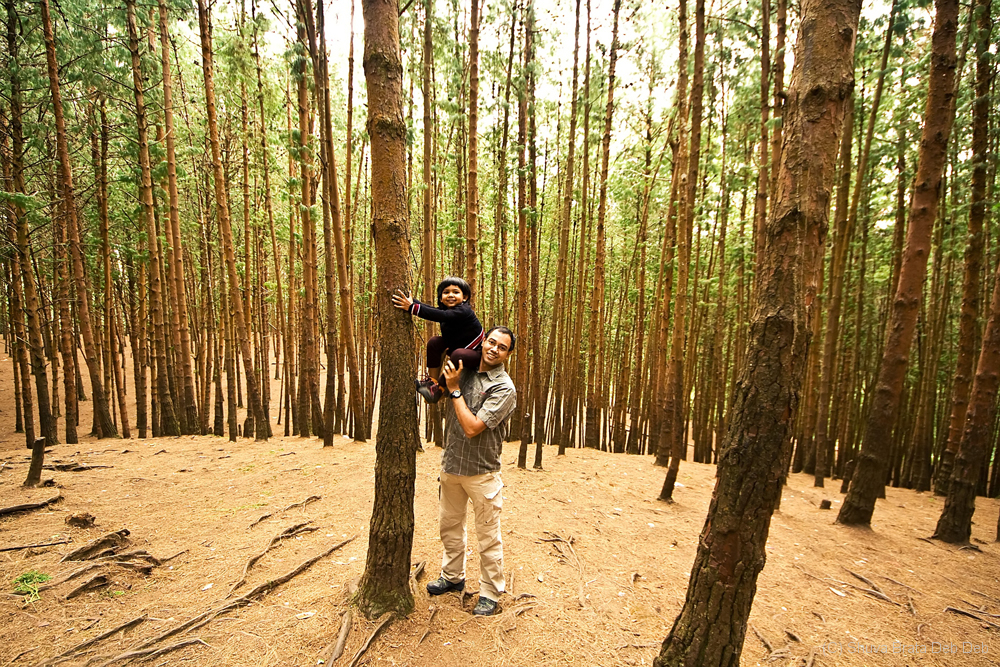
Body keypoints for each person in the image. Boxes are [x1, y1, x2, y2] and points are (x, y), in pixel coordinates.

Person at [425, 326, 517, 617]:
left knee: (488, 536)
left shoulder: (504, 388)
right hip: (452, 464)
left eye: (501, 347)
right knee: (449, 527)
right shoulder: (464, 369)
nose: (494, 349)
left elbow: (472, 428)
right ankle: (452, 577)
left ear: (507, 354)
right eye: (491, 342)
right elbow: (435, 395)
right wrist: (441, 379)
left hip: (482, 472)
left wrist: (454, 390)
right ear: (483, 342)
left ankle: (490, 592)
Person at [391, 277, 484, 403]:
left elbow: (440, 315)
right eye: (446, 292)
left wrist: (412, 308)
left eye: (456, 292)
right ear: (441, 298)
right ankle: (432, 383)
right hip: (457, 346)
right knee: (434, 342)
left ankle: (439, 388)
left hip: (475, 352)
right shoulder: (446, 310)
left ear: (465, 297)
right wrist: (411, 301)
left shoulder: (464, 311)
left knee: (458, 354)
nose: (450, 295)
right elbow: (433, 310)